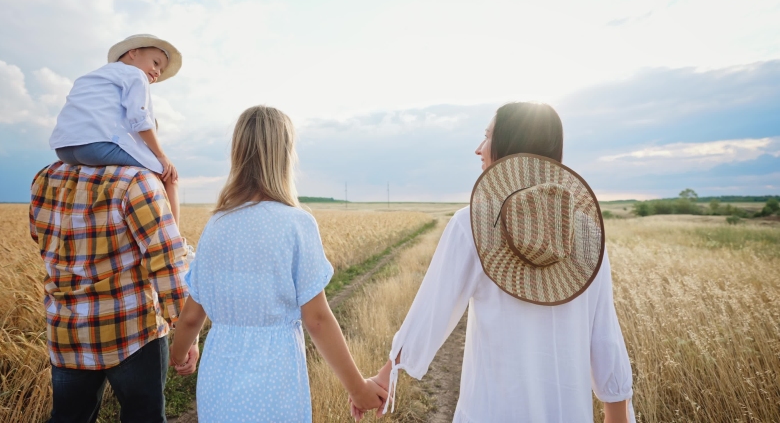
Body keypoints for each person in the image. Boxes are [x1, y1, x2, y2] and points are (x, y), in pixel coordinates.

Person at [361, 102, 635, 423]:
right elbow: (604, 335)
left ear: (510, 144)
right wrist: (616, 412)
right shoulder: (586, 232)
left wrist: (385, 377)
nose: (479, 149)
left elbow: (431, 313)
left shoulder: (475, 224)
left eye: (488, 136)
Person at [169, 105, 387, 422]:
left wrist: (180, 354)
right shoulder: (296, 224)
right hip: (275, 385)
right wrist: (357, 388)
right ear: (285, 156)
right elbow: (317, 320)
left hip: (218, 384)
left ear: (237, 153)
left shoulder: (216, 225)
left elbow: (191, 316)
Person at [29, 161, 198, 423]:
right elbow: (166, 260)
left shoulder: (46, 177)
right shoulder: (136, 180)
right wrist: (186, 331)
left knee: (68, 418)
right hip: (133, 332)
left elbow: (39, 236)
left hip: (67, 331)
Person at [49, 34, 183, 227]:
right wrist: (162, 157)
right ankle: (176, 242)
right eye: (155, 62)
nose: (157, 72)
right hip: (96, 147)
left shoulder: (90, 78)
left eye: (160, 70)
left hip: (64, 149)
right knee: (170, 176)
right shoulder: (135, 74)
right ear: (133, 53)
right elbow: (140, 119)